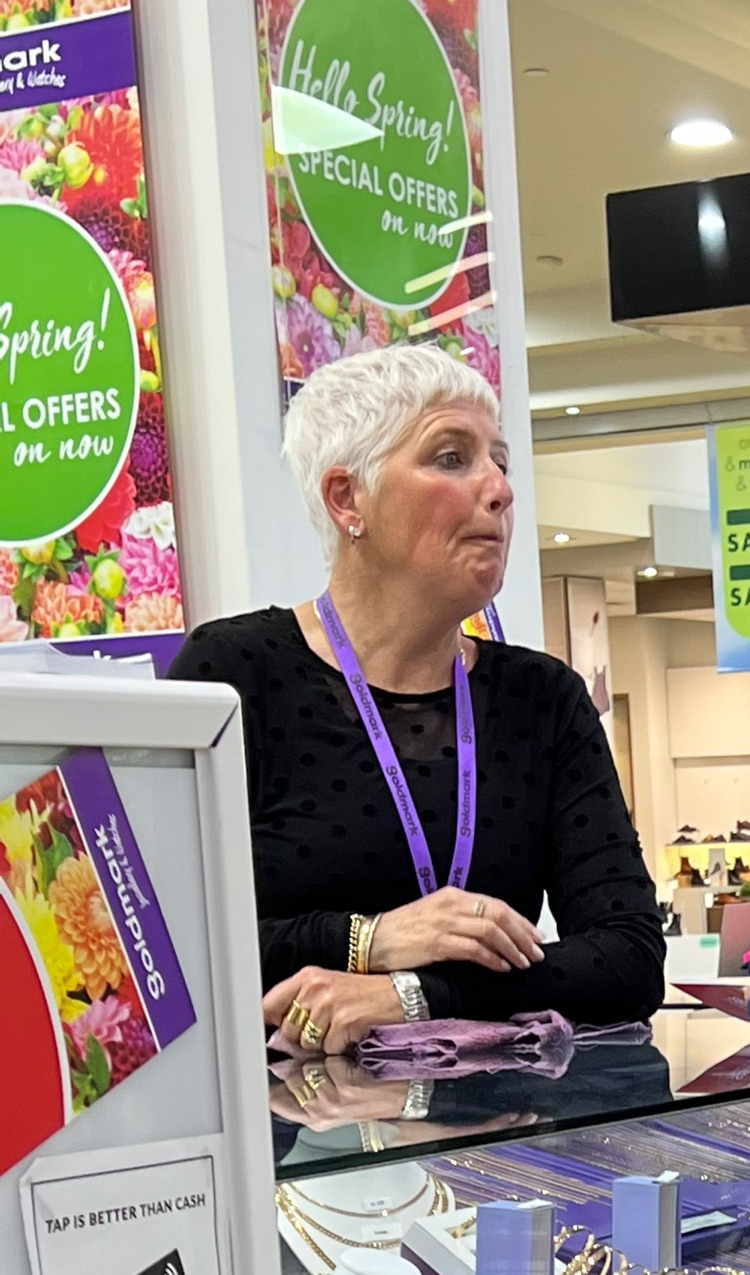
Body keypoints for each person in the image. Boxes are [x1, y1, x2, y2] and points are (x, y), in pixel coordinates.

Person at [169, 344, 662, 1052]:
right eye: (452, 458)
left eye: (500, 461)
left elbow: (629, 960)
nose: (499, 489)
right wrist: (367, 940)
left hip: (490, 1112)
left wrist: (414, 995)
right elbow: (165, 951)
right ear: (347, 499)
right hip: (280, 1111)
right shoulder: (235, 673)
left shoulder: (542, 699)